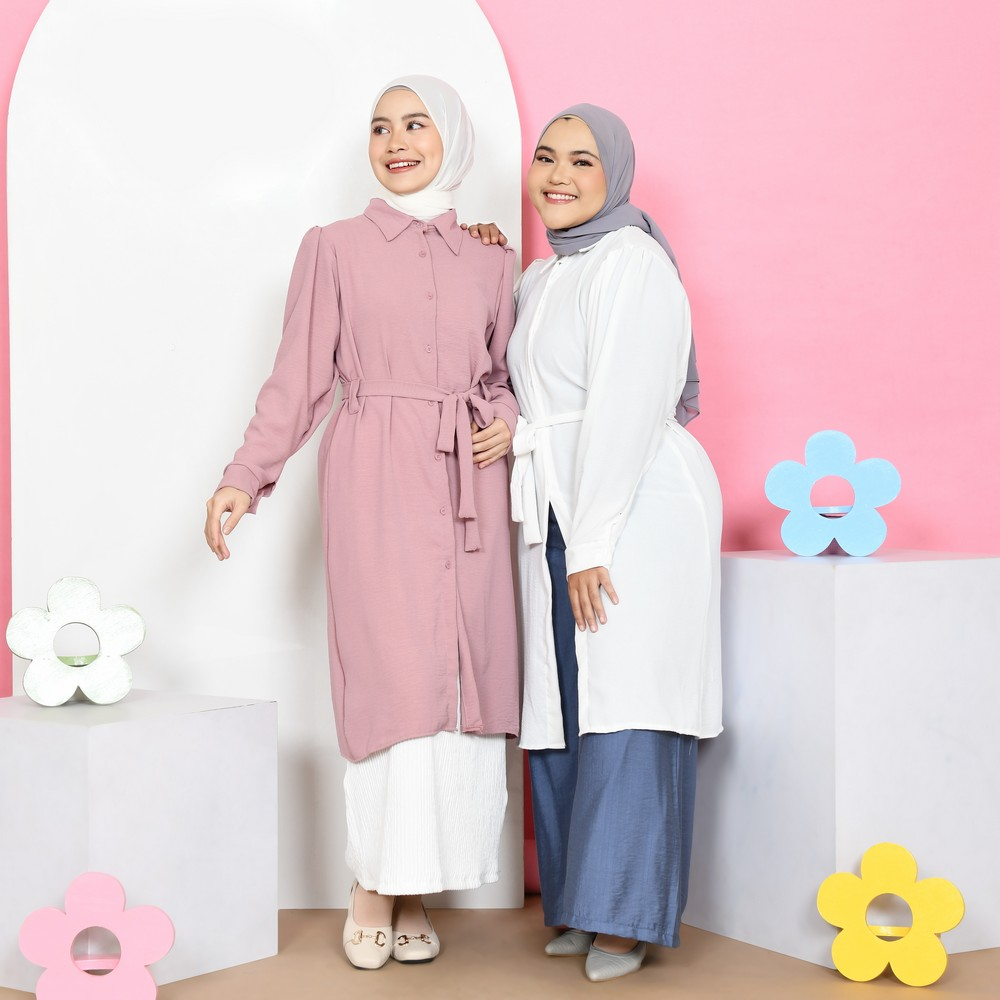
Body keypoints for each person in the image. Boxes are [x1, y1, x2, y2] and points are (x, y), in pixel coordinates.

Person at [204, 75, 520, 971]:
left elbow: (505, 375)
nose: (397, 142)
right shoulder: (334, 248)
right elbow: (299, 377)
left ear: (451, 139)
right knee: (392, 676)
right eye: (381, 129)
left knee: (458, 678)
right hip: (376, 474)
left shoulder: (493, 260)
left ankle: (415, 888)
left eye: (416, 124)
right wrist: (245, 475)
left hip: (472, 477)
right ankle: (373, 884)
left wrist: (509, 421)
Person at [506, 104, 723, 983]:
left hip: (634, 511)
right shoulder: (543, 274)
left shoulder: (631, 262)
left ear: (615, 176)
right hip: (561, 507)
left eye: (582, 161)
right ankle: (578, 902)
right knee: (565, 704)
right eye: (546, 157)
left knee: (629, 703)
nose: (558, 175)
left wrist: (594, 540)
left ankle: (624, 917)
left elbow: (629, 406)